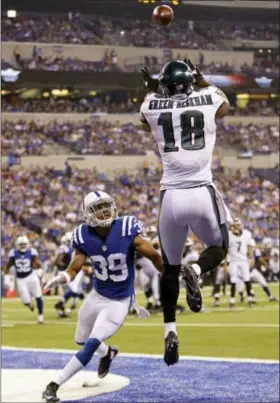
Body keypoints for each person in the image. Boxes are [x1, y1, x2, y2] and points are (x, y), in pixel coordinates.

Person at [140, 59, 231, 366]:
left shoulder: (152, 104)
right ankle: (196, 270)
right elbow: (224, 107)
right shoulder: (209, 99)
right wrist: (203, 81)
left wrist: (154, 89)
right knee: (219, 248)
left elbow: (144, 118)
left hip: (172, 197)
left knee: (169, 268)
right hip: (202, 191)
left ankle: (170, 331)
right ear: (191, 83)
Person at [42, 190, 163, 402]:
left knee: (91, 343)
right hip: (97, 295)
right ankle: (107, 353)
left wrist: (169, 273)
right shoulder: (83, 235)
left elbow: (152, 254)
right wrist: (62, 278)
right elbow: (74, 268)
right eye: (98, 208)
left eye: (106, 205)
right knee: (80, 339)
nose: (105, 210)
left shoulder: (126, 227)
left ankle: (54, 384)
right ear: (87, 213)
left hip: (118, 301)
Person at [5, 235, 44, 324]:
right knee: (25, 300)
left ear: (27, 244)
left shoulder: (32, 252)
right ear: (17, 245)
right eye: (21, 244)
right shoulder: (13, 253)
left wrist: (40, 272)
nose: (23, 246)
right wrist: (6, 278)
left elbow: (39, 265)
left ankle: (40, 316)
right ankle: (29, 304)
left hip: (31, 276)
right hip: (20, 279)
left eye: (24, 244)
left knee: (38, 296)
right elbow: (7, 266)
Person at [227, 218, 255, 308]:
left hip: (243, 260)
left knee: (247, 279)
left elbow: (250, 246)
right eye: (234, 225)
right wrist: (225, 263)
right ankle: (232, 300)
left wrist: (252, 258)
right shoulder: (229, 235)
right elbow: (226, 250)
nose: (235, 227)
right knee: (233, 281)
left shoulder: (246, 234)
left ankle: (250, 298)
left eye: (237, 225)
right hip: (233, 261)